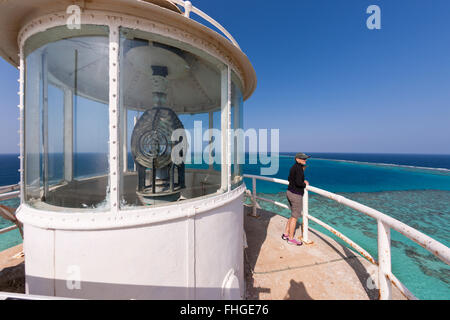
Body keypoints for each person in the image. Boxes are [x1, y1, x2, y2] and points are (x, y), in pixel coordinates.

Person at [283, 152, 310, 246]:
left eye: (305, 159)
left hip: (289, 192)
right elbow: (298, 183)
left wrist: (302, 181)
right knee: (295, 217)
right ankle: (290, 238)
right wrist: (304, 184)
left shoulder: (294, 167)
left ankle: (286, 234)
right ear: (297, 159)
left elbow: (290, 178)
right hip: (296, 195)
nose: (305, 160)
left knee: (292, 215)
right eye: (303, 159)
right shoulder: (299, 168)